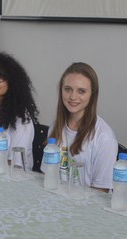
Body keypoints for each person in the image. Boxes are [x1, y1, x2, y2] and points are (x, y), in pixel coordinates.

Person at [47, 62, 118, 191]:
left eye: (81, 91)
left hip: (86, 202)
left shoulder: (104, 137)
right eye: (68, 89)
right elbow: (47, 174)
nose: (73, 96)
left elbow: (100, 191)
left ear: (92, 94)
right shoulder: (55, 126)